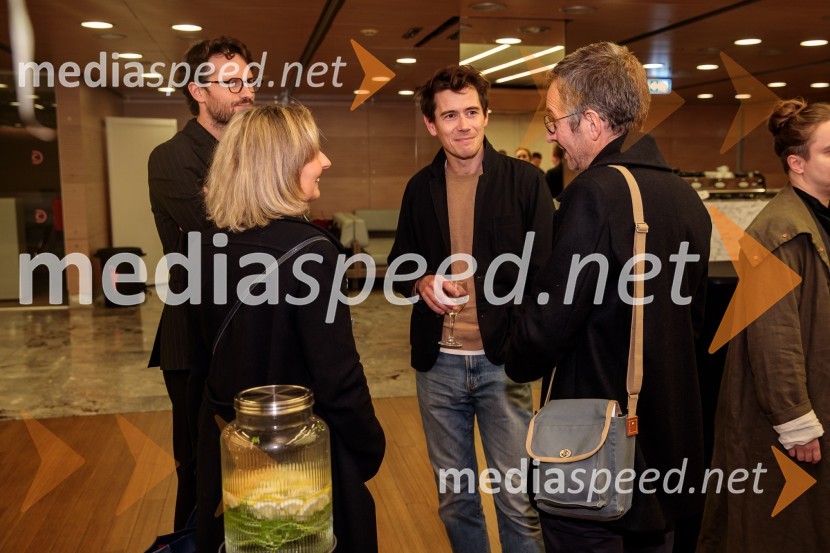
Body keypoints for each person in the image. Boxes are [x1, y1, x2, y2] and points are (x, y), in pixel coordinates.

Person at [499, 42, 711, 552]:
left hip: (597, 454)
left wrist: (506, 324)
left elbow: (546, 329)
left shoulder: (595, 194)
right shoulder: (684, 197)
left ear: (591, 123)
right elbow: (693, 324)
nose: (552, 137)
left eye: (554, 122)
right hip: (667, 448)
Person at [195, 104, 386, 552]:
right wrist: (369, 446)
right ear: (281, 166)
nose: (325, 161)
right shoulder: (312, 253)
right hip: (301, 467)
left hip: (231, 461)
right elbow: (337, 378)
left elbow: (208, 360)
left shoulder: (204, 247)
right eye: (313, 152)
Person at [388, 65, 552, 553]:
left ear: (487, 115)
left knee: (517, 500)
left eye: (472, 113)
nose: (463, 125)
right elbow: (398, 265)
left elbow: (544, 274)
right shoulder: (420, 189)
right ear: (430, 124)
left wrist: (524, 344)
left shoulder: (526, 183)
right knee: (455, 500)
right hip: (438, 367)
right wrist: (420, 281)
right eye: (450, 115)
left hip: (503, 365)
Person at [698, 99, 829, 552]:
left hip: (820, 391)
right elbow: (775, 337)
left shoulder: (818, 219)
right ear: (797, 163)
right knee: (779, 530)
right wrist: (797, 421)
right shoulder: (779, 230)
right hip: (789, 414)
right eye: (829, 151)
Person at [146, 35, 256, 529]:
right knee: (198, 469)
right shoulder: (170, 157)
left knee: (249, 469)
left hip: (249, 331)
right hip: (195, 338)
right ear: (197, 90)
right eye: (231, 82)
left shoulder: (250, 155)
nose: (246, 91)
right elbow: (220, 238)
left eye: (249, 80)